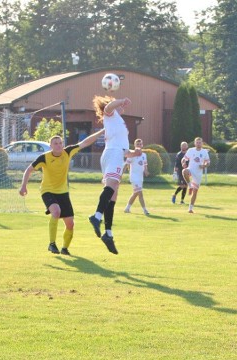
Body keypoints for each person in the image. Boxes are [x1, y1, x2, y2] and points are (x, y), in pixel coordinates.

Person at [19, 130, 104, 255]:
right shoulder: (44, 157)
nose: (58, 145)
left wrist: (102, 131)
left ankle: (65, 249)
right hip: (47, 191)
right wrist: (23, 186)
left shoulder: (68, 152)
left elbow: (85, 142)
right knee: (56, 211)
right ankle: (52, 244)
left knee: (70, 224)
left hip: (63, 192)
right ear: (50, 145)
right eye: (55, 143)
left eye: (60, 143)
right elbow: (28, 170)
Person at [87, 96, 141, 254]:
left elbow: (125, 151)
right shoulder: (110, 114)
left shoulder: (118, 122)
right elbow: (109, 107)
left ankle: (108, 234)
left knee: (113, 197)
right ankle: (96, 216)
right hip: (113, 154)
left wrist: (134, 153)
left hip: (117, 154)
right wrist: (122, 100)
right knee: (111, 188)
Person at [181, 137, 210, 214]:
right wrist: (183, 163)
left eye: (200, 142)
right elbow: (184, 159)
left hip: (198, 174)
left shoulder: (204, 152)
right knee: (184, 171)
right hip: (191, 170)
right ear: (195, 143)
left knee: (195, 192)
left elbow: (208, 162)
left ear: (202, 143)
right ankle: (189, 185)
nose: (198, 144)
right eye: (197, 142)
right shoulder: (191, 150)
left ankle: (190, 208)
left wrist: (204, 166)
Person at [123, 139, 150, 215]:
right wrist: (121, 174)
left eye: (140, 144)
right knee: (140, 193)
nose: (138, 145)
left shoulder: (144, 155)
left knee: (135, 193)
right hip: (134, 177)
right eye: (137, 144)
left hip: (140, 177)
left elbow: (145, 165)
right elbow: (126, 164)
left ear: (142, 145)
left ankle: (127, 208)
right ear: (135, 146)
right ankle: (145, 210)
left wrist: (146, 171)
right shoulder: (131, 154)